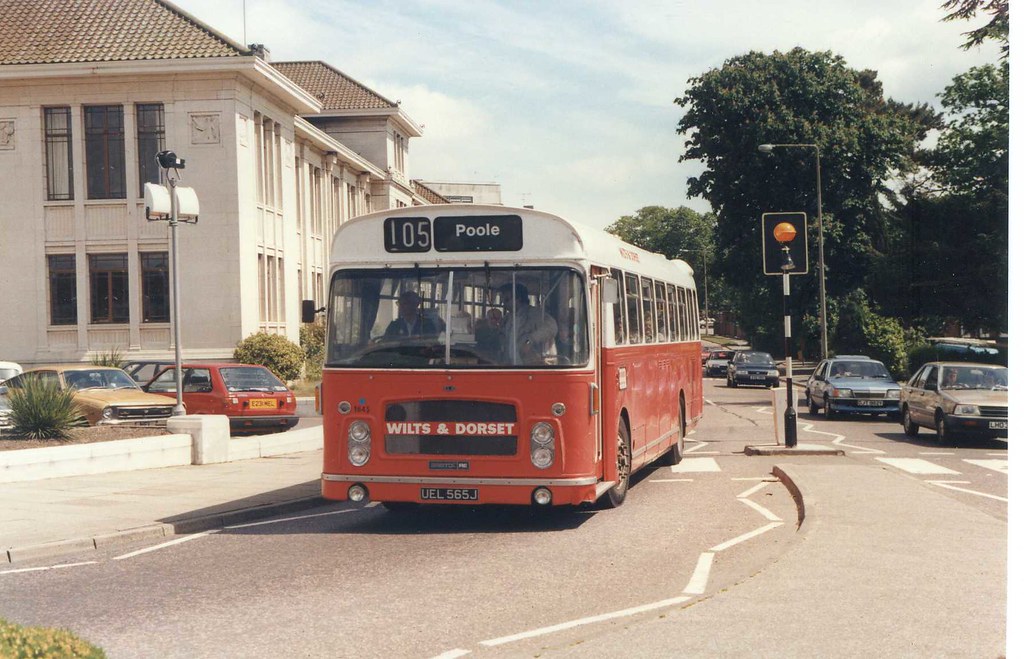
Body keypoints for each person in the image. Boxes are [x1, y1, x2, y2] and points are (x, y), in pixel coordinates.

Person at [498, 282, 557, 364]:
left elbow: (551, 327)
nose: (504, 303)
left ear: (518, 299)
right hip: (510, 366)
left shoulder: (534, 314)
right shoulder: (507, 318)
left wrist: (531, 340)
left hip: (530, 365)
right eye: (502, 300)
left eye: (507, 300)